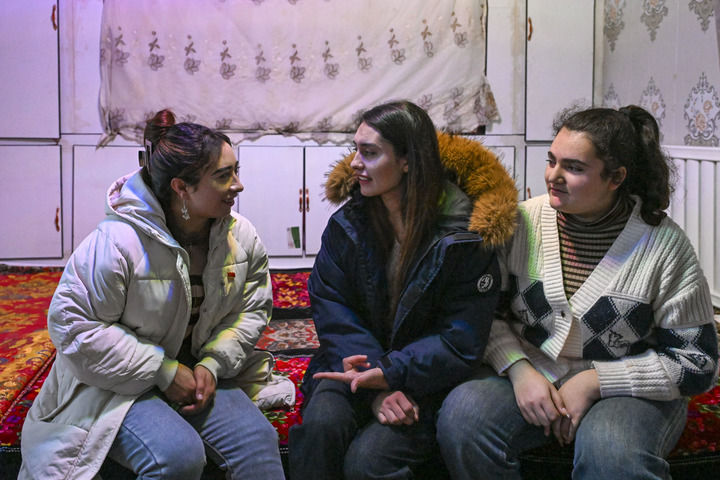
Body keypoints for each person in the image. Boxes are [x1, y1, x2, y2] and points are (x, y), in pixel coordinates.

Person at [436, 105, 720, 480]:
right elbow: (482, 314)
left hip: (630, 386)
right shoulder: (521, 222)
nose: (553, 176)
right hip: (531, 372)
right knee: (462, 417)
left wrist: (594, 382)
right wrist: (518, 369)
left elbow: (697, 363)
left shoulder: (664, 247)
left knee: (611, 453)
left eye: (573, 167)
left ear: (616, 177)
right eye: (551, 161)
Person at [19, 110, 289, 479]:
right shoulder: (116, 243)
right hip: (115, 383)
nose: (238, 185)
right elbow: (75, 327)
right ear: (181, 188)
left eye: (236, 171)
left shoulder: (240, 237)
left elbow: (250, 311)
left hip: (197, 373)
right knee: (177, 455)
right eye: (224, 176)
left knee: (257, 443)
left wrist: (212, 364)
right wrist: (162, 371)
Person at [288, 100, 518, 479]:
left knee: (368, 461)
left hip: (425, 379)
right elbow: (332, 305)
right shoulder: (349, 223)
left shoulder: (463, 236)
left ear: (408, 160)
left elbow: (460, 338)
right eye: (355, 150)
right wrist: (374, 380)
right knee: (320, 430)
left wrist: (392, 374)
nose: (354, 163)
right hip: (352, 361)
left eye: (370, 153)